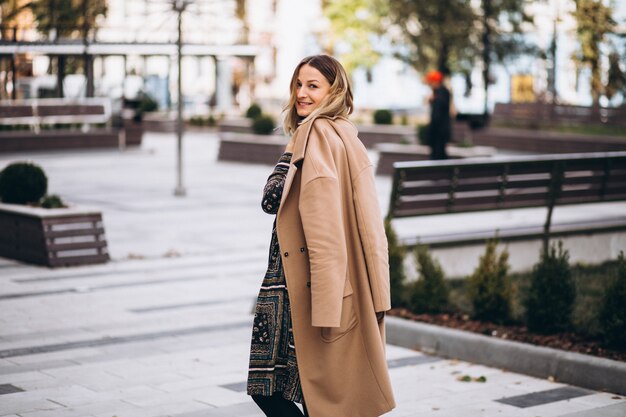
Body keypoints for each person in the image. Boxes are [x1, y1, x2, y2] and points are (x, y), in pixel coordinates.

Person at [247, 54, 396, 417]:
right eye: (298, 84)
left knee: (269, 388)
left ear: (334, 90)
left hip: (299, 284)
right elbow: (370, 226)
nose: (301, 93)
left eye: (313, 86)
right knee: (317, 392)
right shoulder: (345, 134)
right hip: (322, 282)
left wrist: (290, 149)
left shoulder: (313, 136)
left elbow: (274, 200)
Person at [424, 70, 451, 160]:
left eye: (430, 82)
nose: (429, 85)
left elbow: (437, 115)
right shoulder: (441, 93)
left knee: (438, 156)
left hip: (439, 131)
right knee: (439, 154)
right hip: (440, 131)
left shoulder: (441, 94)